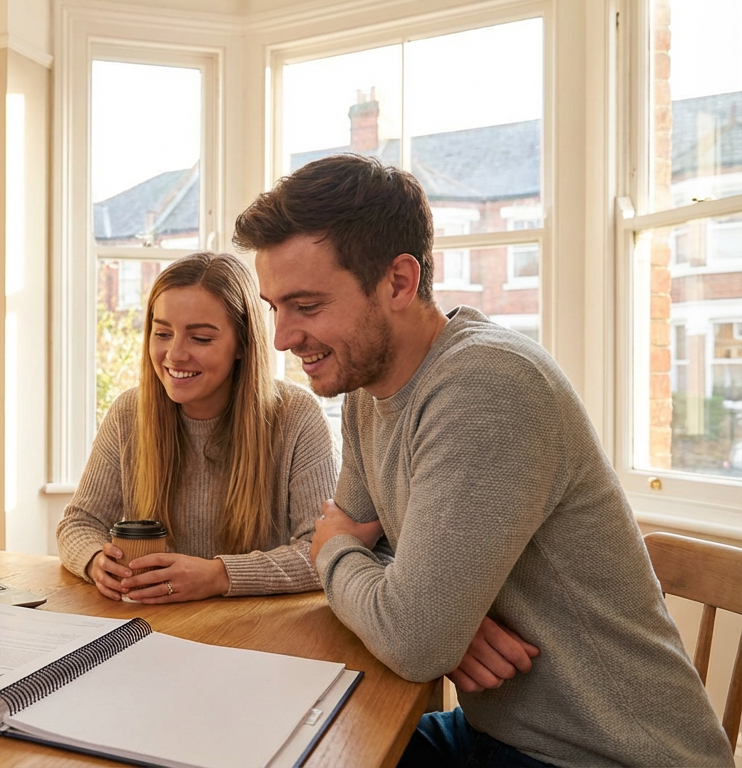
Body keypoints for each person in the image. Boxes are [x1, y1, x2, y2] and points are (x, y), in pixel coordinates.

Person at [235, 153, 734, 766]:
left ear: (398, 281)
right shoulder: (370, 389)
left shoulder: (487, 385)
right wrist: (441, 617)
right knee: (269, 743)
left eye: (307, 307)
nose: (282, 337)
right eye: (273, 307)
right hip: (500, 736)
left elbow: (375, 587)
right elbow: (397, 582)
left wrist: (358, 568)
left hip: (605, 755)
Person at [56, 252, 337, 603]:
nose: (174, 354)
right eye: (162, 333)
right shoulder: (129, 412)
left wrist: (219, 576)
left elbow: (323, 552)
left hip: (258, 631)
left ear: (242, 344)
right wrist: (96, 560)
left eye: (200, 339)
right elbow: (79, 523)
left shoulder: (297, 416)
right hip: (155, 624)